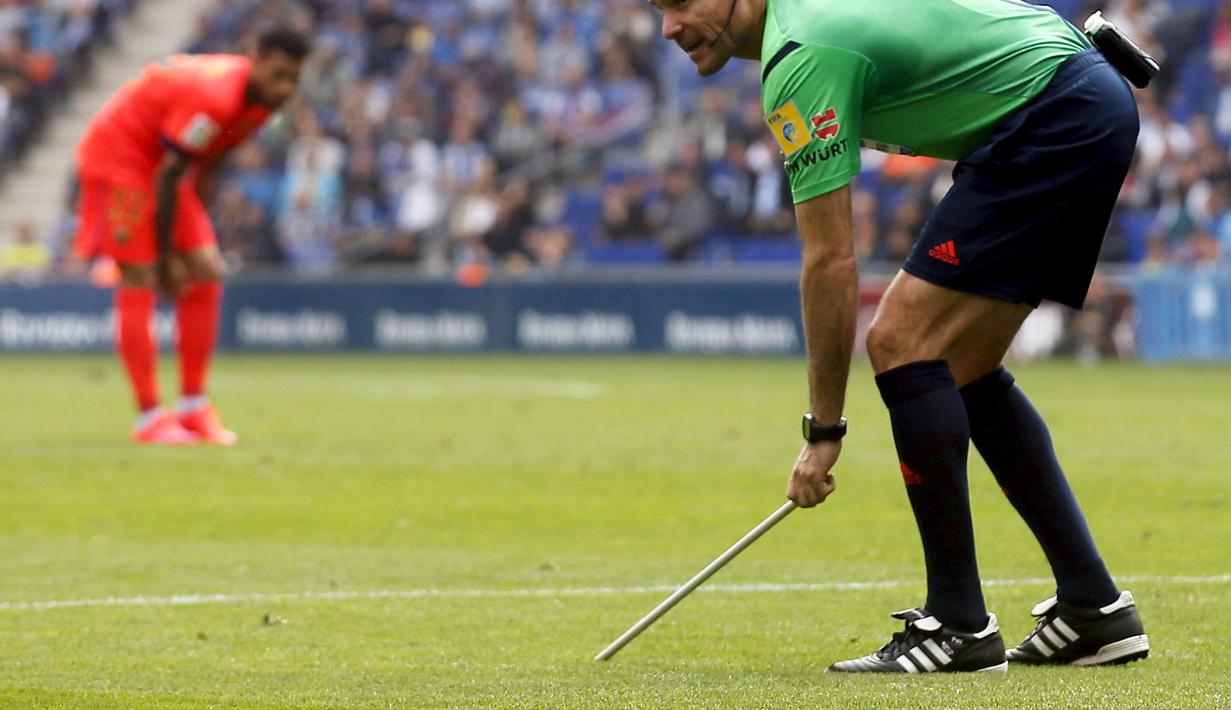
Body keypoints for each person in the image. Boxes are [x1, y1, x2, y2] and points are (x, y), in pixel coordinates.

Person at [650, 0, 1150, 672]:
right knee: (963, 366)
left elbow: (829, 261)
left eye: (681, 2)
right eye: (657, 9)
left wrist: (822, 431)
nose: (669, 27)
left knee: (898, 341)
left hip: (1053, 111)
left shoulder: (801, 52)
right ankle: (1094, 609)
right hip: (1076, 97)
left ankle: (957, 624)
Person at [73, 28, 309, 445]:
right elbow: (170, 173)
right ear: (254, 57)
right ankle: (150, 417)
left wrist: (188, 244)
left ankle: (192, 407)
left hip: (165, 166)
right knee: (141, 274)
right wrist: (167, 258)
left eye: (293, 79)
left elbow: (210, 160)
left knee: (207, 267)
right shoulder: (215, 97)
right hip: (121, 156)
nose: (284, 88)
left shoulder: (262, 101)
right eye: (277, 75)